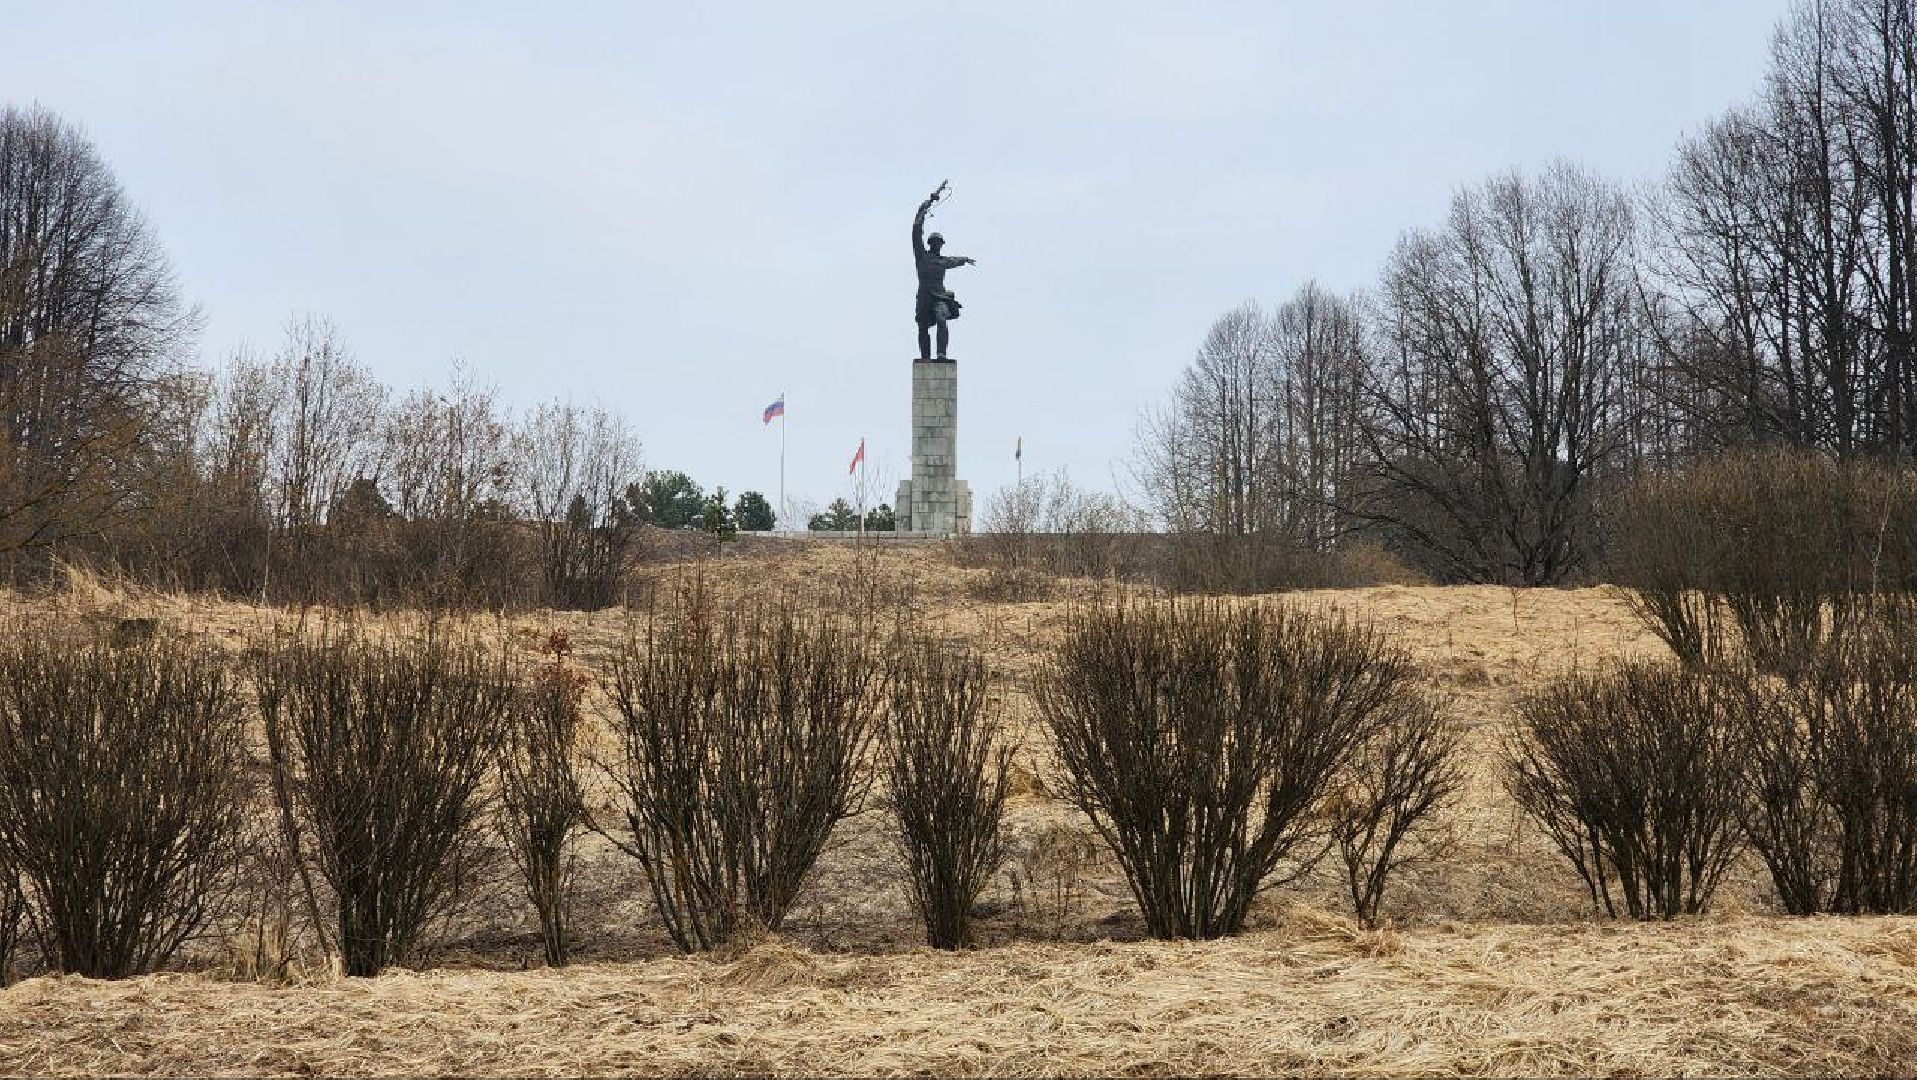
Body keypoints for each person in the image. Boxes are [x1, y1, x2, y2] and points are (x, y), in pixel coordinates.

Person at [911, 181, 975, 361]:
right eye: (934, 243)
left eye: (939, 243)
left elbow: (954, 260)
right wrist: (926, 205)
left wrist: (964, 259)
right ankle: (925, 357)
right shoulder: (922, 256)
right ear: (930, 244)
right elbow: (916, 230)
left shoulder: (943, 261)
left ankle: (941, 354)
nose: (937, 245)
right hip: (924, 295)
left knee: (941, 317)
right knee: (923, 326)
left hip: (940, 295)